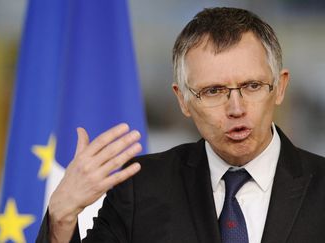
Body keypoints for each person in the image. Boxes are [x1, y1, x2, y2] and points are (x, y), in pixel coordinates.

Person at [37, 7, 325, 243]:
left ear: (280, 87)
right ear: (183, 100)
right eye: (213, 91)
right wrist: (61, 218)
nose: (236, 109)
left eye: (252, 86)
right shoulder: (140, 189)